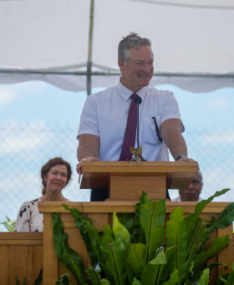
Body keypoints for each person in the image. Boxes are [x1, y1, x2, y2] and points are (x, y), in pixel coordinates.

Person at [76, 32, 198, 201]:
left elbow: (171, 131)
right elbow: (87, 143)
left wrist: (181, 158)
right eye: (139, 63)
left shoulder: (164, 98)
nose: (147, 69)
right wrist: (88, 158)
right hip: (106, 187)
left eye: (150, 63)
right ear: (121, 64)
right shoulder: (96, 102)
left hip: (156, 187)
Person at [14, 157, 72, 232]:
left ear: (66, 181)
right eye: (55, 173)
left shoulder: (72, 208)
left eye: (63, 175)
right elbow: (19, 240)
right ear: (45, 177)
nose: (58, 178)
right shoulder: (29, 208)